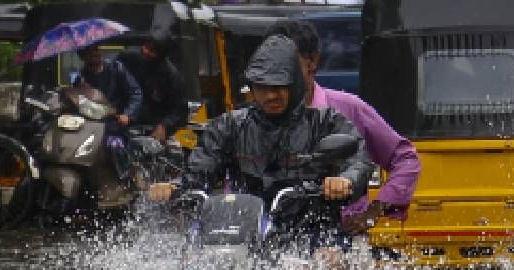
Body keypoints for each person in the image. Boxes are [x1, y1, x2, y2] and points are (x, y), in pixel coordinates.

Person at [146, 35, 372, 255]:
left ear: (294, 85)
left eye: (278, 86)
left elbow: (358, 159)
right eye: (262, 87)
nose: (270, 95)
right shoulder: (230, 125)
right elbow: (199, 171)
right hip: (242, 228)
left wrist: (345, 181)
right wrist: (174, 186)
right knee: (186, 258)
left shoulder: (325, 122)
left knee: (330, 260)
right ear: (252, 87)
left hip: (311, 230)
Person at [264, 19, 420, 236]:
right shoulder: (252, 118)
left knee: (330, 260)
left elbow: (405, 159)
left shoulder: (349, 108)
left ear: (312, 62)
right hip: (272, 237)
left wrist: (374, 211)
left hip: (338, 238)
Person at [73, 42, 143, 180]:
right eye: (90, 51)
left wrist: (127, 114)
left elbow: (135, 92)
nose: (95, 53)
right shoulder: (80, 78)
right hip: (90, 127)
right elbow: (74, 100)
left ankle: (128, 180)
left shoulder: (117, 69)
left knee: (115, 147)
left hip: (114, 124)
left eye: (97, 49)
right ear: (83, 56)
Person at [118, 28, 189, 143]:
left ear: (161, 54)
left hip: (152, 129)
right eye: (145, 47)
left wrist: (164, 125)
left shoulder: (171, 76)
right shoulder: (129, 58)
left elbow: (180, 110)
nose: (146, 52)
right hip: (124, 121)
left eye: (152, 51)